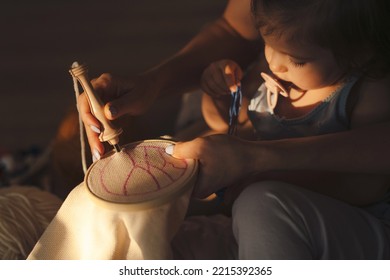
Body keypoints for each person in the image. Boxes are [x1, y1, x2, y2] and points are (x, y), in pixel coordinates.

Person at [79, 0, 390, 259]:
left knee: (259, 204)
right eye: (266, 43)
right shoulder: (274, 78)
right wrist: (217, 94)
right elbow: (227, 123)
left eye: (296, 59)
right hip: (257, 203)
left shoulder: (367, 94)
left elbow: (365, 187)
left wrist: (258, 166)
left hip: (353, 224)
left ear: (359, 53)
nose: (275, 63)